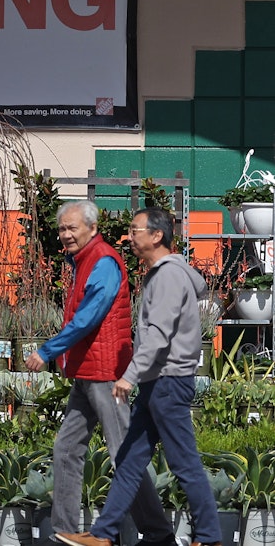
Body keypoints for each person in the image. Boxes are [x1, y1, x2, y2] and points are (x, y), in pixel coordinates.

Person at [56, 208, 222, 546]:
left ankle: (208, 535)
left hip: (168, 381)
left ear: (157, 235)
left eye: (135, 230)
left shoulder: (168, 277)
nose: (129, 237)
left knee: (184, 463)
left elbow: (158, 334)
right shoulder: (161, 274)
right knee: (130, 462)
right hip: (157, 382)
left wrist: (129, 375)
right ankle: (103, 535)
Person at [24, 200, 174, 546]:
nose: (65, 235)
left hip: (106, 374)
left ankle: (158, 532)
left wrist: (48, 350)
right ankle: (64, 531)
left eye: (72, 228)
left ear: (92, 228)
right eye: (62, 229)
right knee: (66, 449)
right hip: (88, 372)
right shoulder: (84, 260)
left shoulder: (103, 260)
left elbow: (90, 316)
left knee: (122, 453)